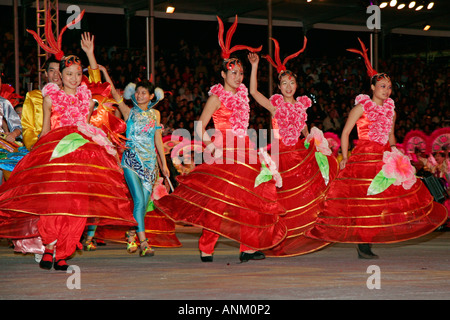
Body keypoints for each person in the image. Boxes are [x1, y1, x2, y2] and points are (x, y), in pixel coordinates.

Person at [0, 11, 136, 270]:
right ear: (60, 76)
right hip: (55, 148)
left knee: (77, 203)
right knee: (55, 200)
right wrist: (36, 155)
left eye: (77, 73)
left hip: (82, 150)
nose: (74, 78)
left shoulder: (87, 97)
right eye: (69, 74)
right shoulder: (50, 97)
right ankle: (50, 245)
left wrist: (90, 54)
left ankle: (64, 250)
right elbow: (45, 129)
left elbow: (95, 98)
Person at [154, 16, 287, 263]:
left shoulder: (244, 93)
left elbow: (255, 90)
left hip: (245, 148)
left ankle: (247, 248)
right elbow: (198, 126)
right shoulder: (216, 96)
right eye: (234, 72)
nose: (238, 77)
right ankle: (206, 246)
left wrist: (255, 67)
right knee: (219, 201)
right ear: (223, 73)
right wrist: (211, 146)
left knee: (250, 198)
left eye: (241, 73)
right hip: (223, 148)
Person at [305, 39, 448, 258]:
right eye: (382, 86)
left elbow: (391, 136)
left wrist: (394, 150)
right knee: (364, 201)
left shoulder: (392, 110)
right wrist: (344, 156)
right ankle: (363, 243)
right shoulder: (361, 107)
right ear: (372, 87)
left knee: (383, 199)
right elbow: (345, 132)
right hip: (362, 158)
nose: (387, 90)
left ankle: (368, 239)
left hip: (383, 157)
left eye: (389, 87)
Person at [248, 38, 339, 257]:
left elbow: (306, 133)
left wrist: (313, 144)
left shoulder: (301, 107)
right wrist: (254, 66)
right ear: (279, 87)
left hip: (299, 156)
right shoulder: (274, 106)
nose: (289, 87)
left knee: (301, 198)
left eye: (292, 83)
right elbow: (253, 92)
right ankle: (272, 241)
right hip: (280, 156)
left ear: (296, 86)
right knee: (278, 200)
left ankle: (299, 236)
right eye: (285, 84)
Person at [108, 78, 172, 257]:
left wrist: (163, 164)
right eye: (137, 92)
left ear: (152, 96)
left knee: (143, 204)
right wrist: (104, 73)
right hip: (131, 160)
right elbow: (114, 93)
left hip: (150, 164)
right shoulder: (129, 112)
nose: (139, 95)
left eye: (144, 92)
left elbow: (157, 139)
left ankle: (130, 233)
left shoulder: (156, 114)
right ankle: (144, 243)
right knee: (138, 200)